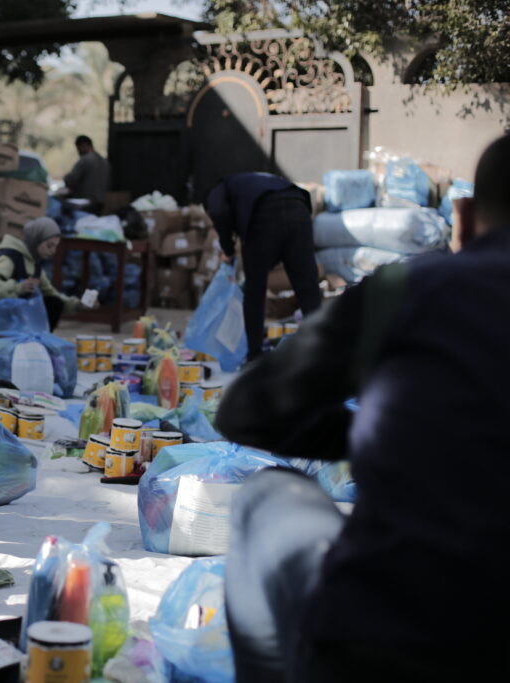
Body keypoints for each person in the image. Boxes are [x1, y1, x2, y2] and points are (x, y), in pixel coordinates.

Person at [216, 133, 510, 682]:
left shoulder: (411, 288)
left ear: (464, 219)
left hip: (383, 640)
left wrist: (391, 434)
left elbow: (246, 410)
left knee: (265, 493)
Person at [204, 172, 322, 361]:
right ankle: (321, 353)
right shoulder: (252, 182)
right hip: (299, 209)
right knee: (308, 289)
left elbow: (218, 210)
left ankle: (255, 356)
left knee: (255, 290)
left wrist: (228, 247)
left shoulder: (220, 188)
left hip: (264, 215)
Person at [0, 217, 80, 331]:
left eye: (55, 246)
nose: (53, 251)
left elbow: (51, 293)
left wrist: (77, 305)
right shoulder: (9, 257)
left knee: (54, 303)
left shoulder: (35, 265)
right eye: (49, 246)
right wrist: (18, 288)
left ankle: (39, 340)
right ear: (36, 241)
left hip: (11, 319)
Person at [62, 135, 110, 214]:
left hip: (85, 204)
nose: (78, 151)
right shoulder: (105, 162)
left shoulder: (85, 160)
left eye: (78, 148)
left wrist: (66, 179)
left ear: (83, 146)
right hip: (100, 202)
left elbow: (71, 179)